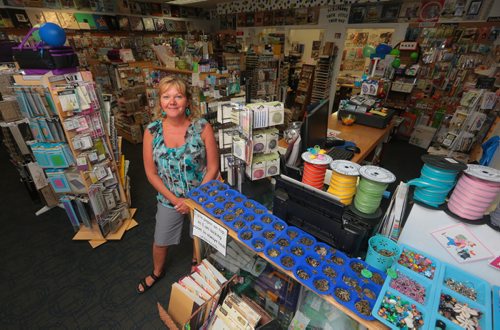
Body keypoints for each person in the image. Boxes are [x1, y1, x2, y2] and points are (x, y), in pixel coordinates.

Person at [137, 76, 219, 294]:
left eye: (178, 96)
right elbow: (150, 173)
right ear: (160, 102)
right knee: (160, 240)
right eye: (166, 96)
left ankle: (195, 260)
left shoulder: (202, 127)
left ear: (187, 101)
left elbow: (213, 168)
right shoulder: (152, 131)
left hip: (200, 196)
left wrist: (193, 200)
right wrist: (176, 200)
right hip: (168, 198)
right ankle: (157, 271)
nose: (172, 102)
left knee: (200, 235)